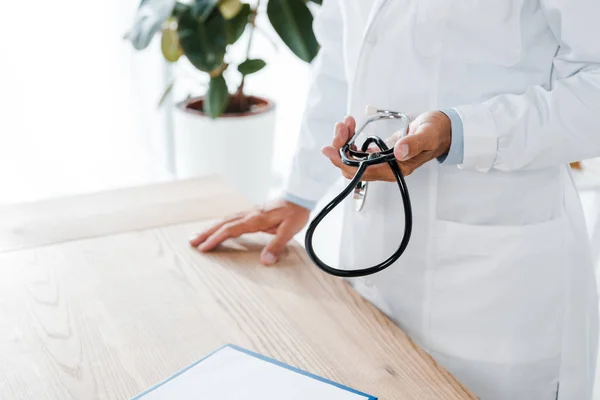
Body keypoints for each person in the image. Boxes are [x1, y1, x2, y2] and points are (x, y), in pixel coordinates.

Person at [190, 0, 600, 398]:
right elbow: (341, 50)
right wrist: (301, 191)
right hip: (370, 266)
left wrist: (461, 133)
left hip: (495, 292)